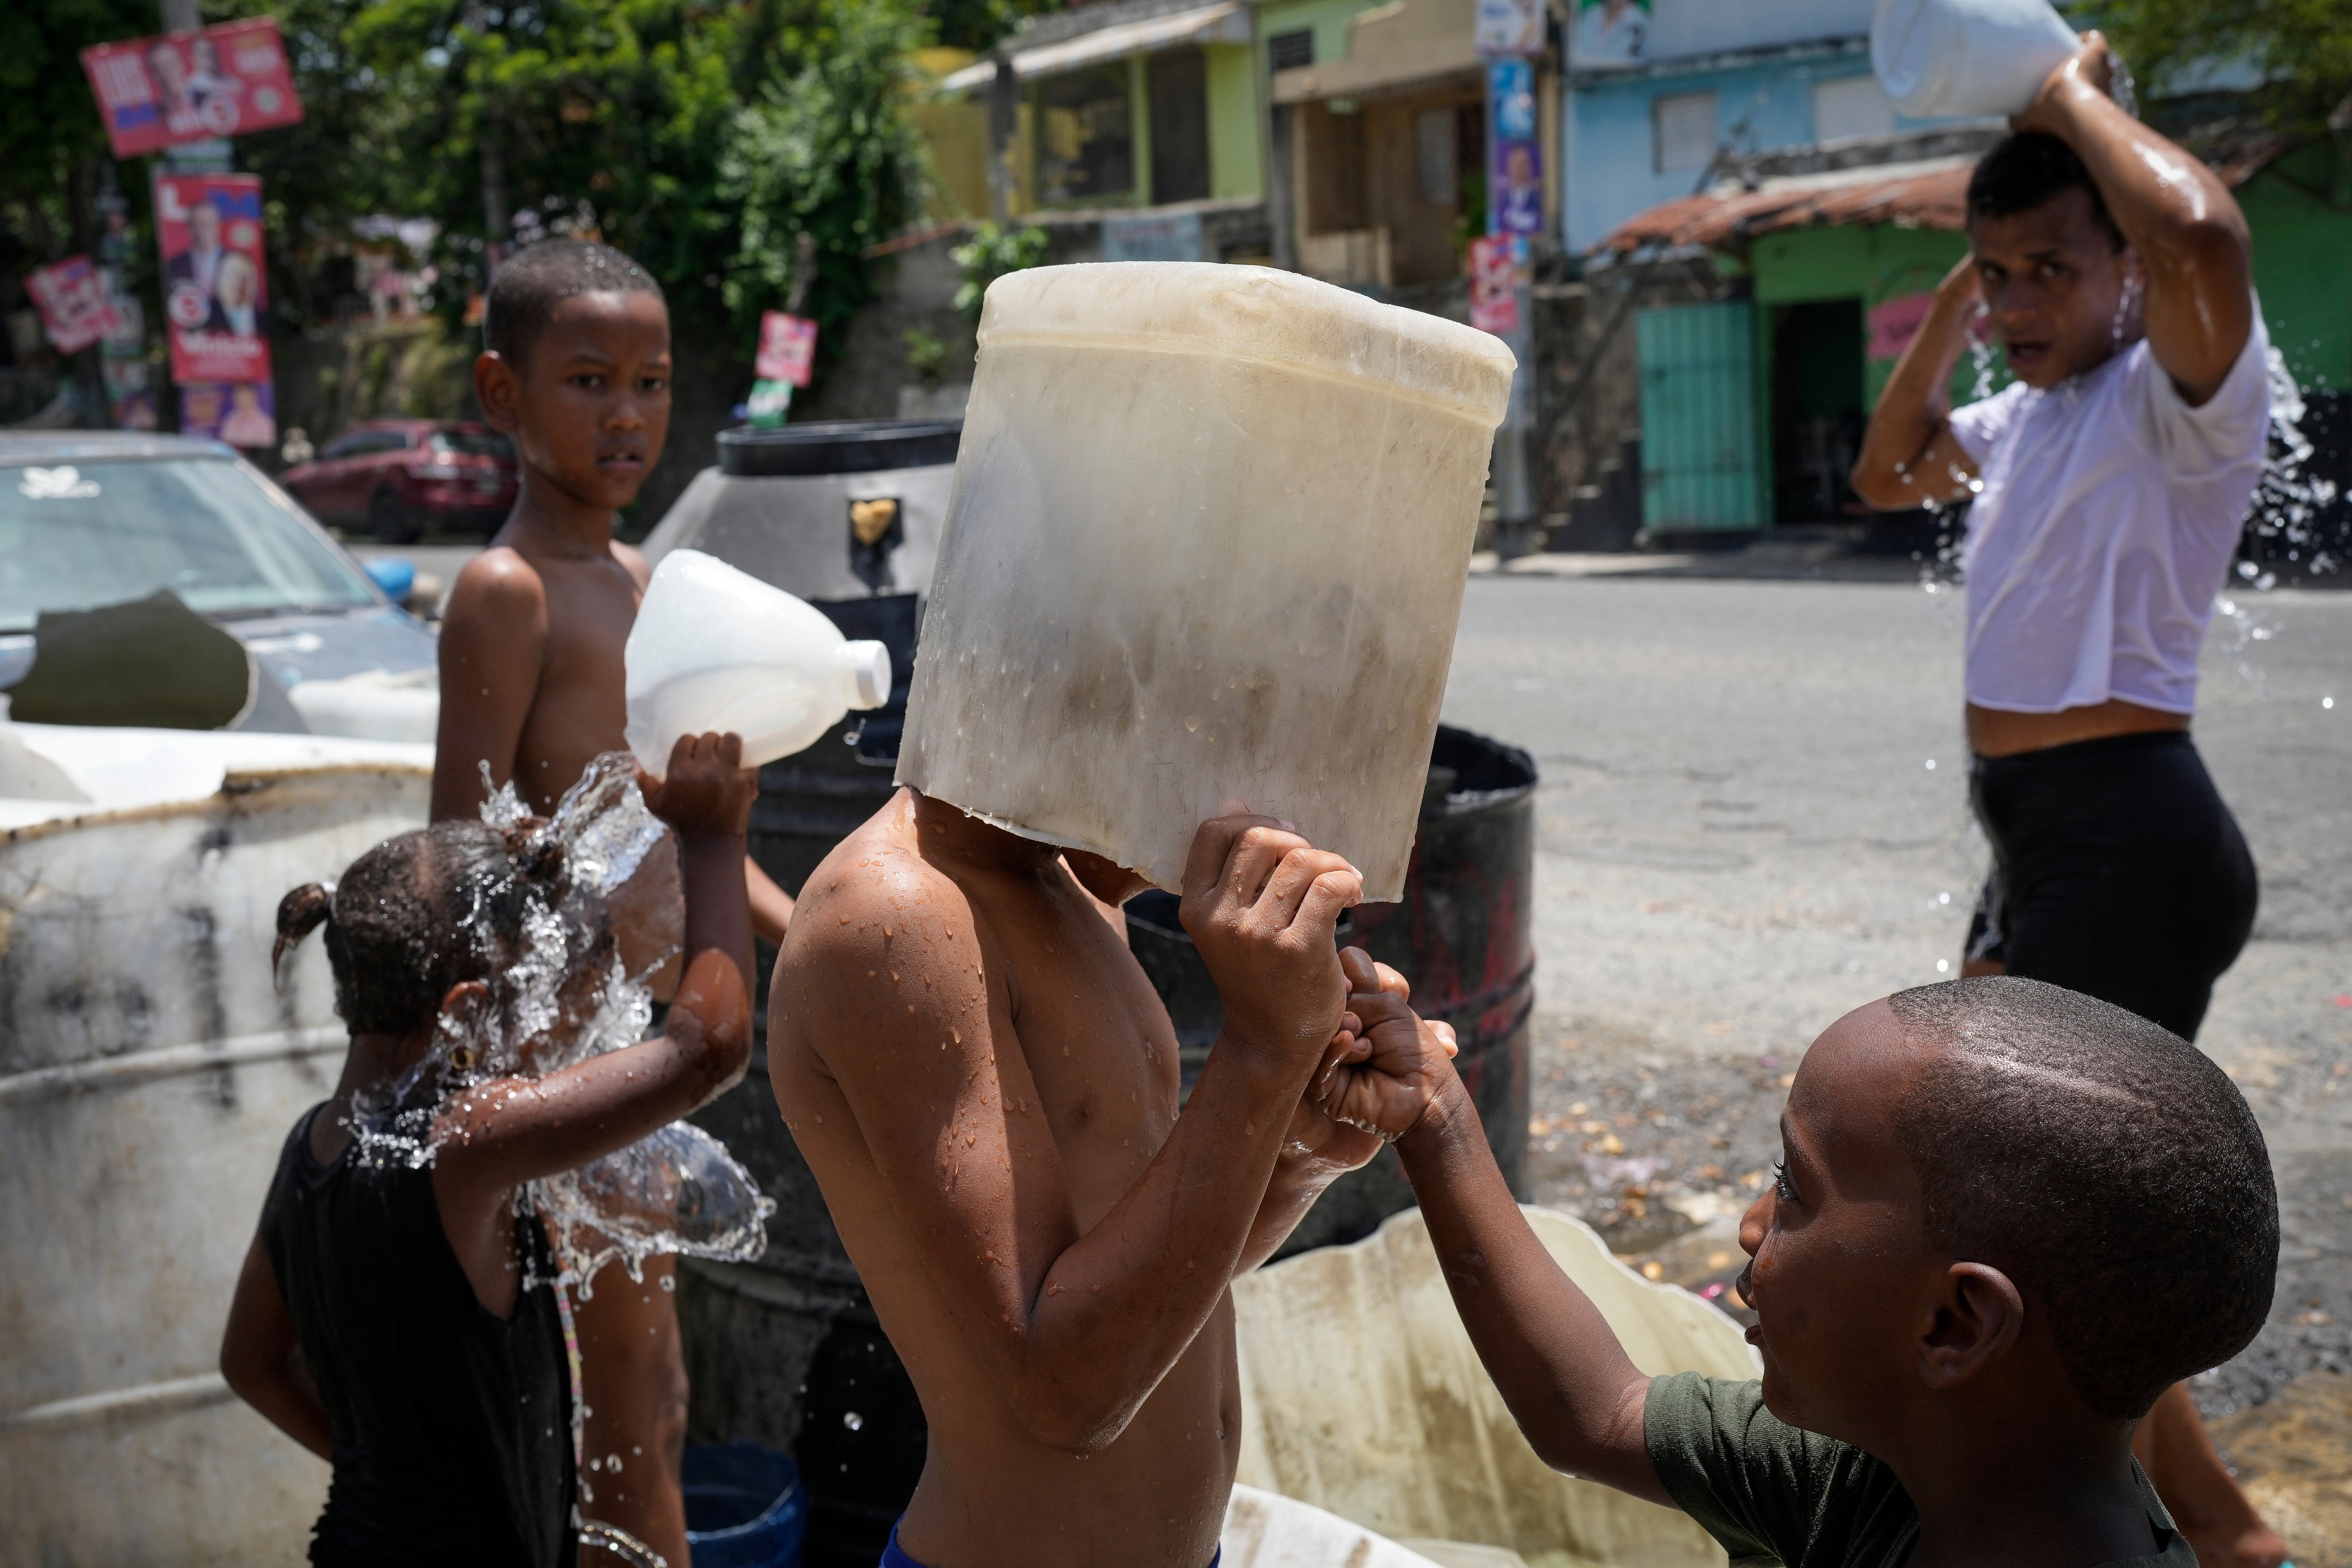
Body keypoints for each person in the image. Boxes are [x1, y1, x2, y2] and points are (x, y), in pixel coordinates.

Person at [1849, 35, 2282, 1565]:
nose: (2022, 303)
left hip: (2133, 842)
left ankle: (2208, 1529)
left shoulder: (2185, 413)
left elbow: (2207, 233)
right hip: (2038, 844)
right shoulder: (2028, 419)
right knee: (1994, 1184)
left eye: (2052, 269)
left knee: (2034, 1222)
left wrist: (2065, 96)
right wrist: (1960, 303)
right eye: (1997, 276)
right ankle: (2173, 1510)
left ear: (2124, 275)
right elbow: (1887, 470)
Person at [1318, 968, 2276, 1568]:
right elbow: (1595, 1413)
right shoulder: (1883, 1475)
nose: (1746, 1225)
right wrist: (1435, 1113)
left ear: (1951, 1325)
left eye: (1792, 1187)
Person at [767, 802, 1447, 1568]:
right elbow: (1065, 1393)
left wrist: (1299, 1157)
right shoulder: (899, 908)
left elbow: (1155, 1288)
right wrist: (1262, 1052)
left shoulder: (1071, 885)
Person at [430, 238, 797, 1568]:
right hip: (551, 1060)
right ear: (501, 394)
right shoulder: (506, 592)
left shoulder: (650, 588)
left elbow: (678, 828)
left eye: (649, 381)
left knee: (652, 1402)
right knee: (616, 1415)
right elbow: (459, 843)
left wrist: (804, 929)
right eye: (588, 381)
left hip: (636, 1042)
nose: (629, 413)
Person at [218, 733, 757, 1568]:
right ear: (467, 1012)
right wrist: (715, 840)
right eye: (529, 996)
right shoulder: (460, 1145)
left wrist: (405, 1491)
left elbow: (248, 1364)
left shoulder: (312, 1150)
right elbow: (705, 1051)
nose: (543, 1028)